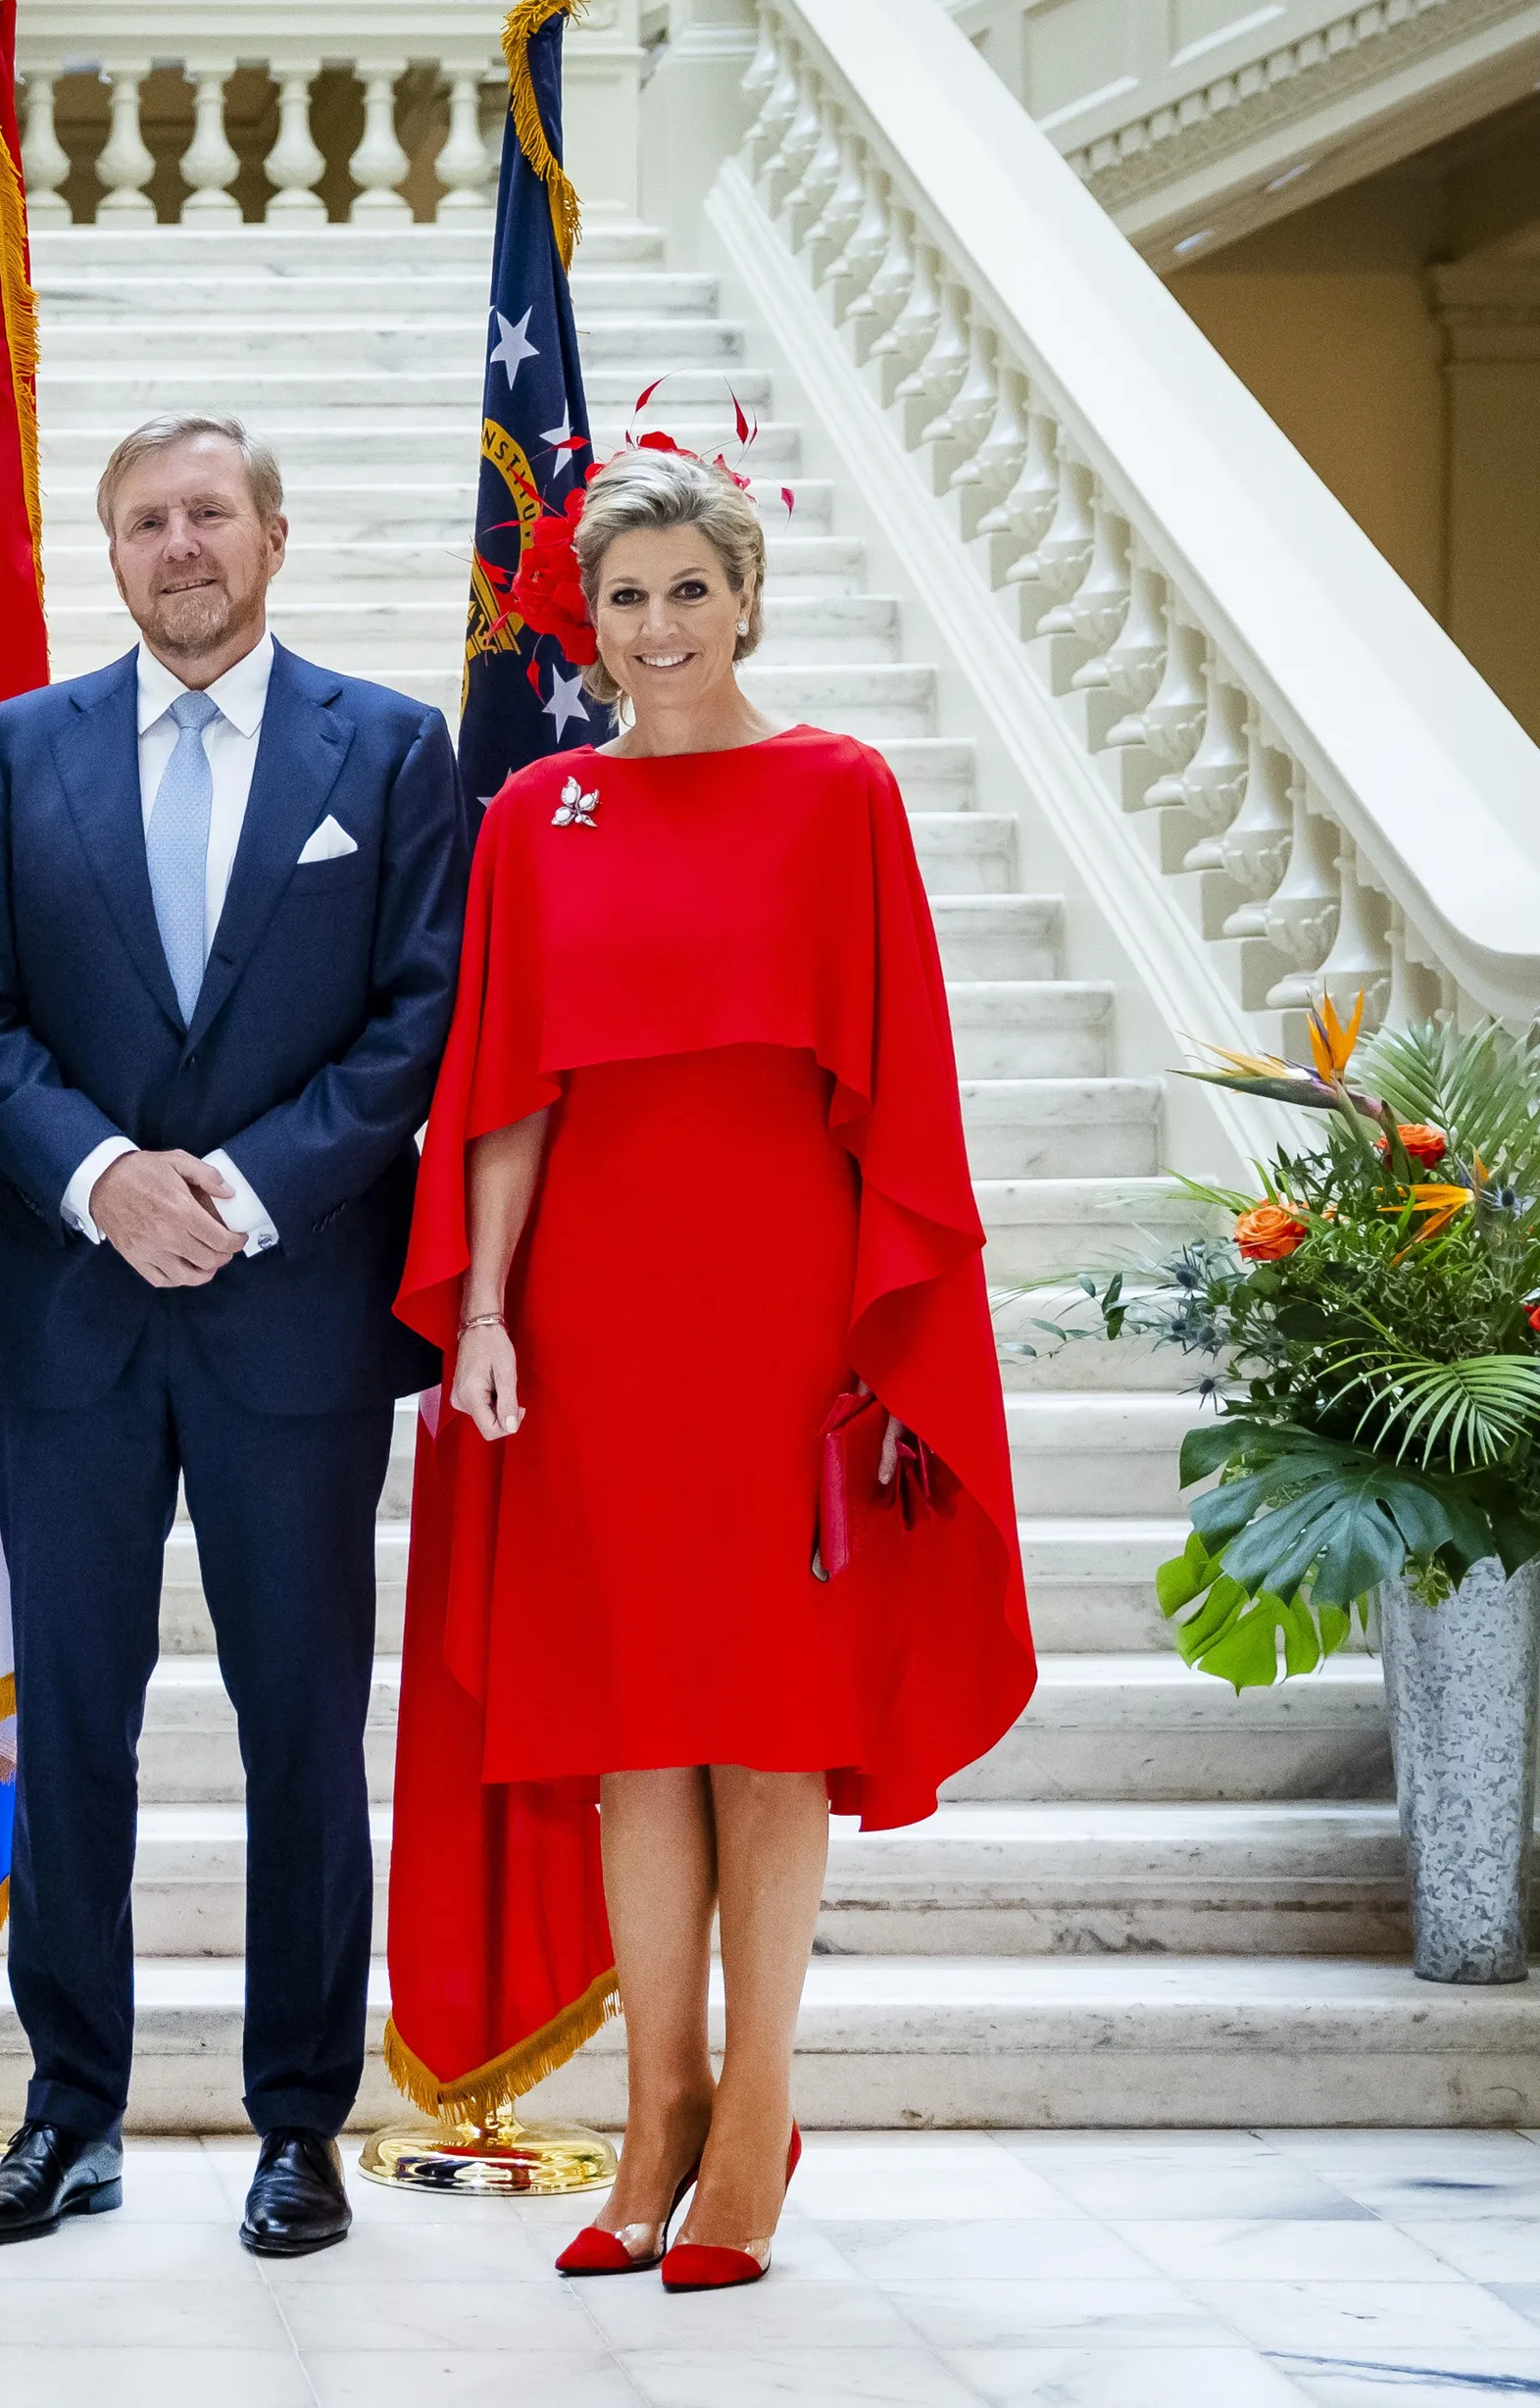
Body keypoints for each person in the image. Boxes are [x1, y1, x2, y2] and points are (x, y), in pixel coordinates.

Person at [399, 447, 1035, 2291]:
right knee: (630, 1728)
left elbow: (896, 1075)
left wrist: (876, 1333)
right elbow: (510, 1090)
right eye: (625, 599)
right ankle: (653, 2102)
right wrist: (491, 1313)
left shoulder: (842, 792)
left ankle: (755, 2107)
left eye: (689, 589)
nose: (657, 627)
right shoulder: (536, 809)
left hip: (782, 1313)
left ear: (746, 594)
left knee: (767, 1717)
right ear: (582, 624)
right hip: (595, 1317)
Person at [0, 414, 465, 2259]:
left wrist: (230, 1186)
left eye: (209, 513)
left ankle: (298, 2119)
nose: (180, 545)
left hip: (292, 1319)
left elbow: (415, 1022)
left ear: (275, 536)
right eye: (145, 520)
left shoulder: (387, 750)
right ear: (112, 550)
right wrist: (102, 1183)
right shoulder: (16, 751)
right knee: (71, 1726)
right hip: (76, 1319)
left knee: (299, 1721)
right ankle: (71, 2110)